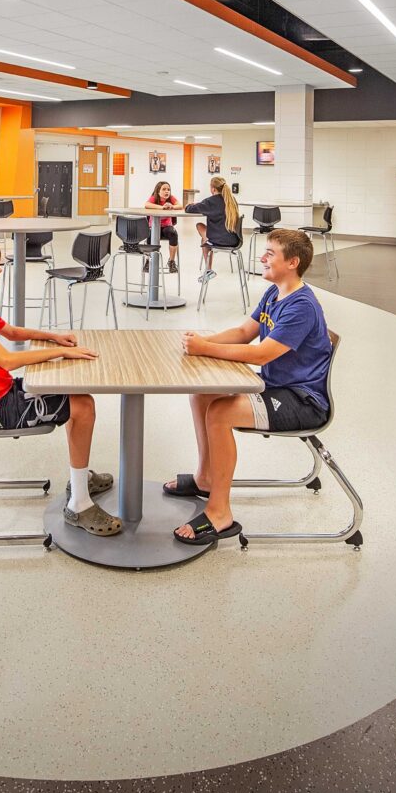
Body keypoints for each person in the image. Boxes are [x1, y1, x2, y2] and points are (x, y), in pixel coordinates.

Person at [0, 236, 122, 537]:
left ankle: (79, 480)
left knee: (76, 396)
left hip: (0, 393)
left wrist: (53, 337)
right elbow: (6, 360)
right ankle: (78, 503)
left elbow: (11, 332)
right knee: (83, 405)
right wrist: (60, 352)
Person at [164, 229, 331, 545]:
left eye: (270, 253)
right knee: (202, 393)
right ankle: (206, 478)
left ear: (292, 262)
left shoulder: (301, 306)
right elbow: (244, 332)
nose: (262, 257)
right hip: (275, 387)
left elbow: (261, 352)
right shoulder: (274, 293)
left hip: (301, 400)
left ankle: (220, 512)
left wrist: (205, 349)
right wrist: (201, 340)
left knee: (220, 413)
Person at [185, 175, 242, 282]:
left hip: (218, 240)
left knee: (200, 227)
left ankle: (209, 269)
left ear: (213, 189)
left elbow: (190, 209)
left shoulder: (210, 201)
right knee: (203, 232)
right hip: (235, 240)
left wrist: (189, 205)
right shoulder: (232, 200)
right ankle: (207, 245)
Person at [144, 180, 181, 274]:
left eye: (168, 189)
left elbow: (180, 205)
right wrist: (162, 207)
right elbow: (147, 204)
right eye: (164, 189)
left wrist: (171, 206)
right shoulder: (154, 198)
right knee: (149, 236)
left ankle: (171, 262)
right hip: (155, 226)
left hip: (166, 227)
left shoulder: (171, 198)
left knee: (173, 233)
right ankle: (149, 260)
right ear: (158, 191)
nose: (167, 191)